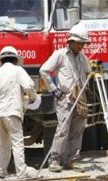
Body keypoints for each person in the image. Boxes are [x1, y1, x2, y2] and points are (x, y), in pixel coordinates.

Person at [0, 46, 38, 179]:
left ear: (1, 60)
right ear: (16, 60)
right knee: (17, 143)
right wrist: (32, 98)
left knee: (4, 144)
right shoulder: (18, 70)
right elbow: (28, 86)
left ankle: (1, 172)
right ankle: (21, 173)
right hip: (12, 112)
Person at [40, 24, 91, 172]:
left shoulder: (83, 58)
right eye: (80, 43)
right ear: (72, 41)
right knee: (62, 130)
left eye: (83, 43)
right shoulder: (60, 54)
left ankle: (72, 160)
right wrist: (54, 89)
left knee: (78, 130)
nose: (82, 46)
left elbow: (88, 73)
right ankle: (54, 160)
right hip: (65, 98)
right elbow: (44, 70)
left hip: (80, 98)